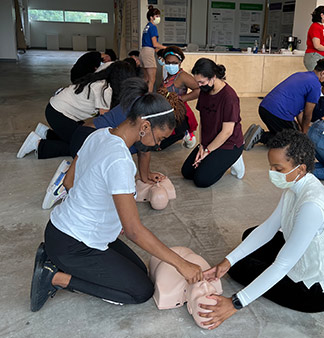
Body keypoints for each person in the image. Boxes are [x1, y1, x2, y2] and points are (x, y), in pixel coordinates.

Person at [30, 85, 203, 312]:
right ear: (145, 126)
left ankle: (54, 257)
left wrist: (103, 217)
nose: (158, 145)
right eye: (159, 138)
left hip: (61, 229)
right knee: (140, 291)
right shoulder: (120, 161)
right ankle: (54, 276)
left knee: (140, 272)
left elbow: (69, 183)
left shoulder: (100, 134)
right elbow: (133, 231)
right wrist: (182, 265)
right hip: (72, 245)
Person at [198, 130, 324, 329]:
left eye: (278, 169)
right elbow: (269, 228)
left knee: (242, 268)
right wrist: (228, 260)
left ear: (300, 168)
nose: (272, 173)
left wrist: (235, 303)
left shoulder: (312, 206)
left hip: (319, 290)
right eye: (271, 167)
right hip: (317, 258)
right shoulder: (297, 185)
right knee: (247, 238)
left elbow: (283, 265)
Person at [41, 78, 182, 209]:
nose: (158, 144)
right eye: (160, 138)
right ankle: (66, 178)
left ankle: (74, 171)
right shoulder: (119, 146)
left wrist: (144, 175)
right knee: (96, 189)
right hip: (88, 138)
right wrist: (145, 177)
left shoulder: (141, 106)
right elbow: (144, 152)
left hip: (85, 134)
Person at [17, 61, 136, 160]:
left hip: (57, 110)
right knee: (82, 147)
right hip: (58, 114)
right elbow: (105, 121)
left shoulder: (101, 80)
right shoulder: (105, 90)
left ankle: (46, 133)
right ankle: (39, 145)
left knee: (80, 134)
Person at [244, 58, 324, 150]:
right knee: (294, 143)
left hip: (265, 108)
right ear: (323, 73)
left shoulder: (301, 74)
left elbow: (300, 112)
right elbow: (308, 114)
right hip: (277, 113)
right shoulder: (316, 85)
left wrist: (301, 129)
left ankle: (256, 132)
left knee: (291, 132)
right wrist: (304, 134)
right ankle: (261, 136)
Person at [181, 58, 245, 187]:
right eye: (197, 82)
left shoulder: (229, 98)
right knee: (187, 172)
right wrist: (201, 146)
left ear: (213, 77)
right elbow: (203, 120)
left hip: (229, 144)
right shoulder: (205, 91)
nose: (198, 85)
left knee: (201, 180)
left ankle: (236, 159)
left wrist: (207, 151)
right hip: (210, 141)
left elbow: (227, 132)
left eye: (202, 82)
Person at [160, 46, 200, 149]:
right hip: (167, 111)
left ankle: (185, 133)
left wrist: (183, 98)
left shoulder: (183, 76)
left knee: (160, 145)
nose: (170, 65)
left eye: (174, 63)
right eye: (168, 62)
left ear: (180, 63)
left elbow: (199, 90)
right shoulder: (166, 74)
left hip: (179, 113)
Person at [140, 5, 166, 92]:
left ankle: (140, 95)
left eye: (159, 16)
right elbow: (155, 44)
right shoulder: (153, 27)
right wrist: (166, 47)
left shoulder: (147, 26)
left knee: (145, 78)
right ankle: (148, 99)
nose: (158, 18)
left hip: (143, 51)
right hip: (148, 52)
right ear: (151, 17)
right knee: (151, 80)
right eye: (157, 16)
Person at [304, 6, 324, 71]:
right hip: (314, 56)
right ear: (322, 15)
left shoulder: (320, 26)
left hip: (320, 55)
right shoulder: (315, 27)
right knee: (316, 77)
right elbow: (317, 45)